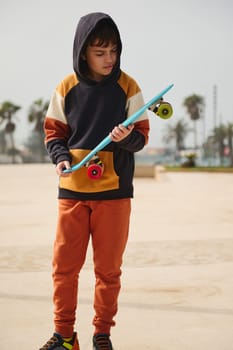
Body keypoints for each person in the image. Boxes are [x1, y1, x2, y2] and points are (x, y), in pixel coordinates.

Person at [39, 12, 149, 350]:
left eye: (113, 51)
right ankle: (65, 336)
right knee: (64, 267)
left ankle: (102, 334)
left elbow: (142, 138)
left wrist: (125, 137)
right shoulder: (66, 87)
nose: (109, 59)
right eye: (100, 52)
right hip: (72, 191)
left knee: (108, 270)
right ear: (83, 50)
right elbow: (53, 133)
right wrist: (60, 158)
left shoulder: (128, 86)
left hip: (114, 193)